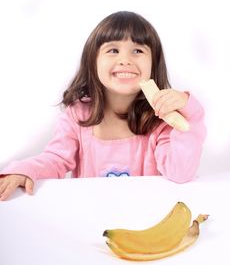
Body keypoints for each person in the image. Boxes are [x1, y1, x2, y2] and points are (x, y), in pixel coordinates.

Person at [0, 11, 206, 201]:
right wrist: (24, 169)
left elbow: (180, 172)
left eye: (137, 50)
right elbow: (56, 159)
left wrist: (189, 115)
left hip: (144, 215)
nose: (125, 60)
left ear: (154, 63)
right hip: (90, 215)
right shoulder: (78, 114)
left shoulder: (158, 120)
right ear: (93, 62)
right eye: (113, 50)